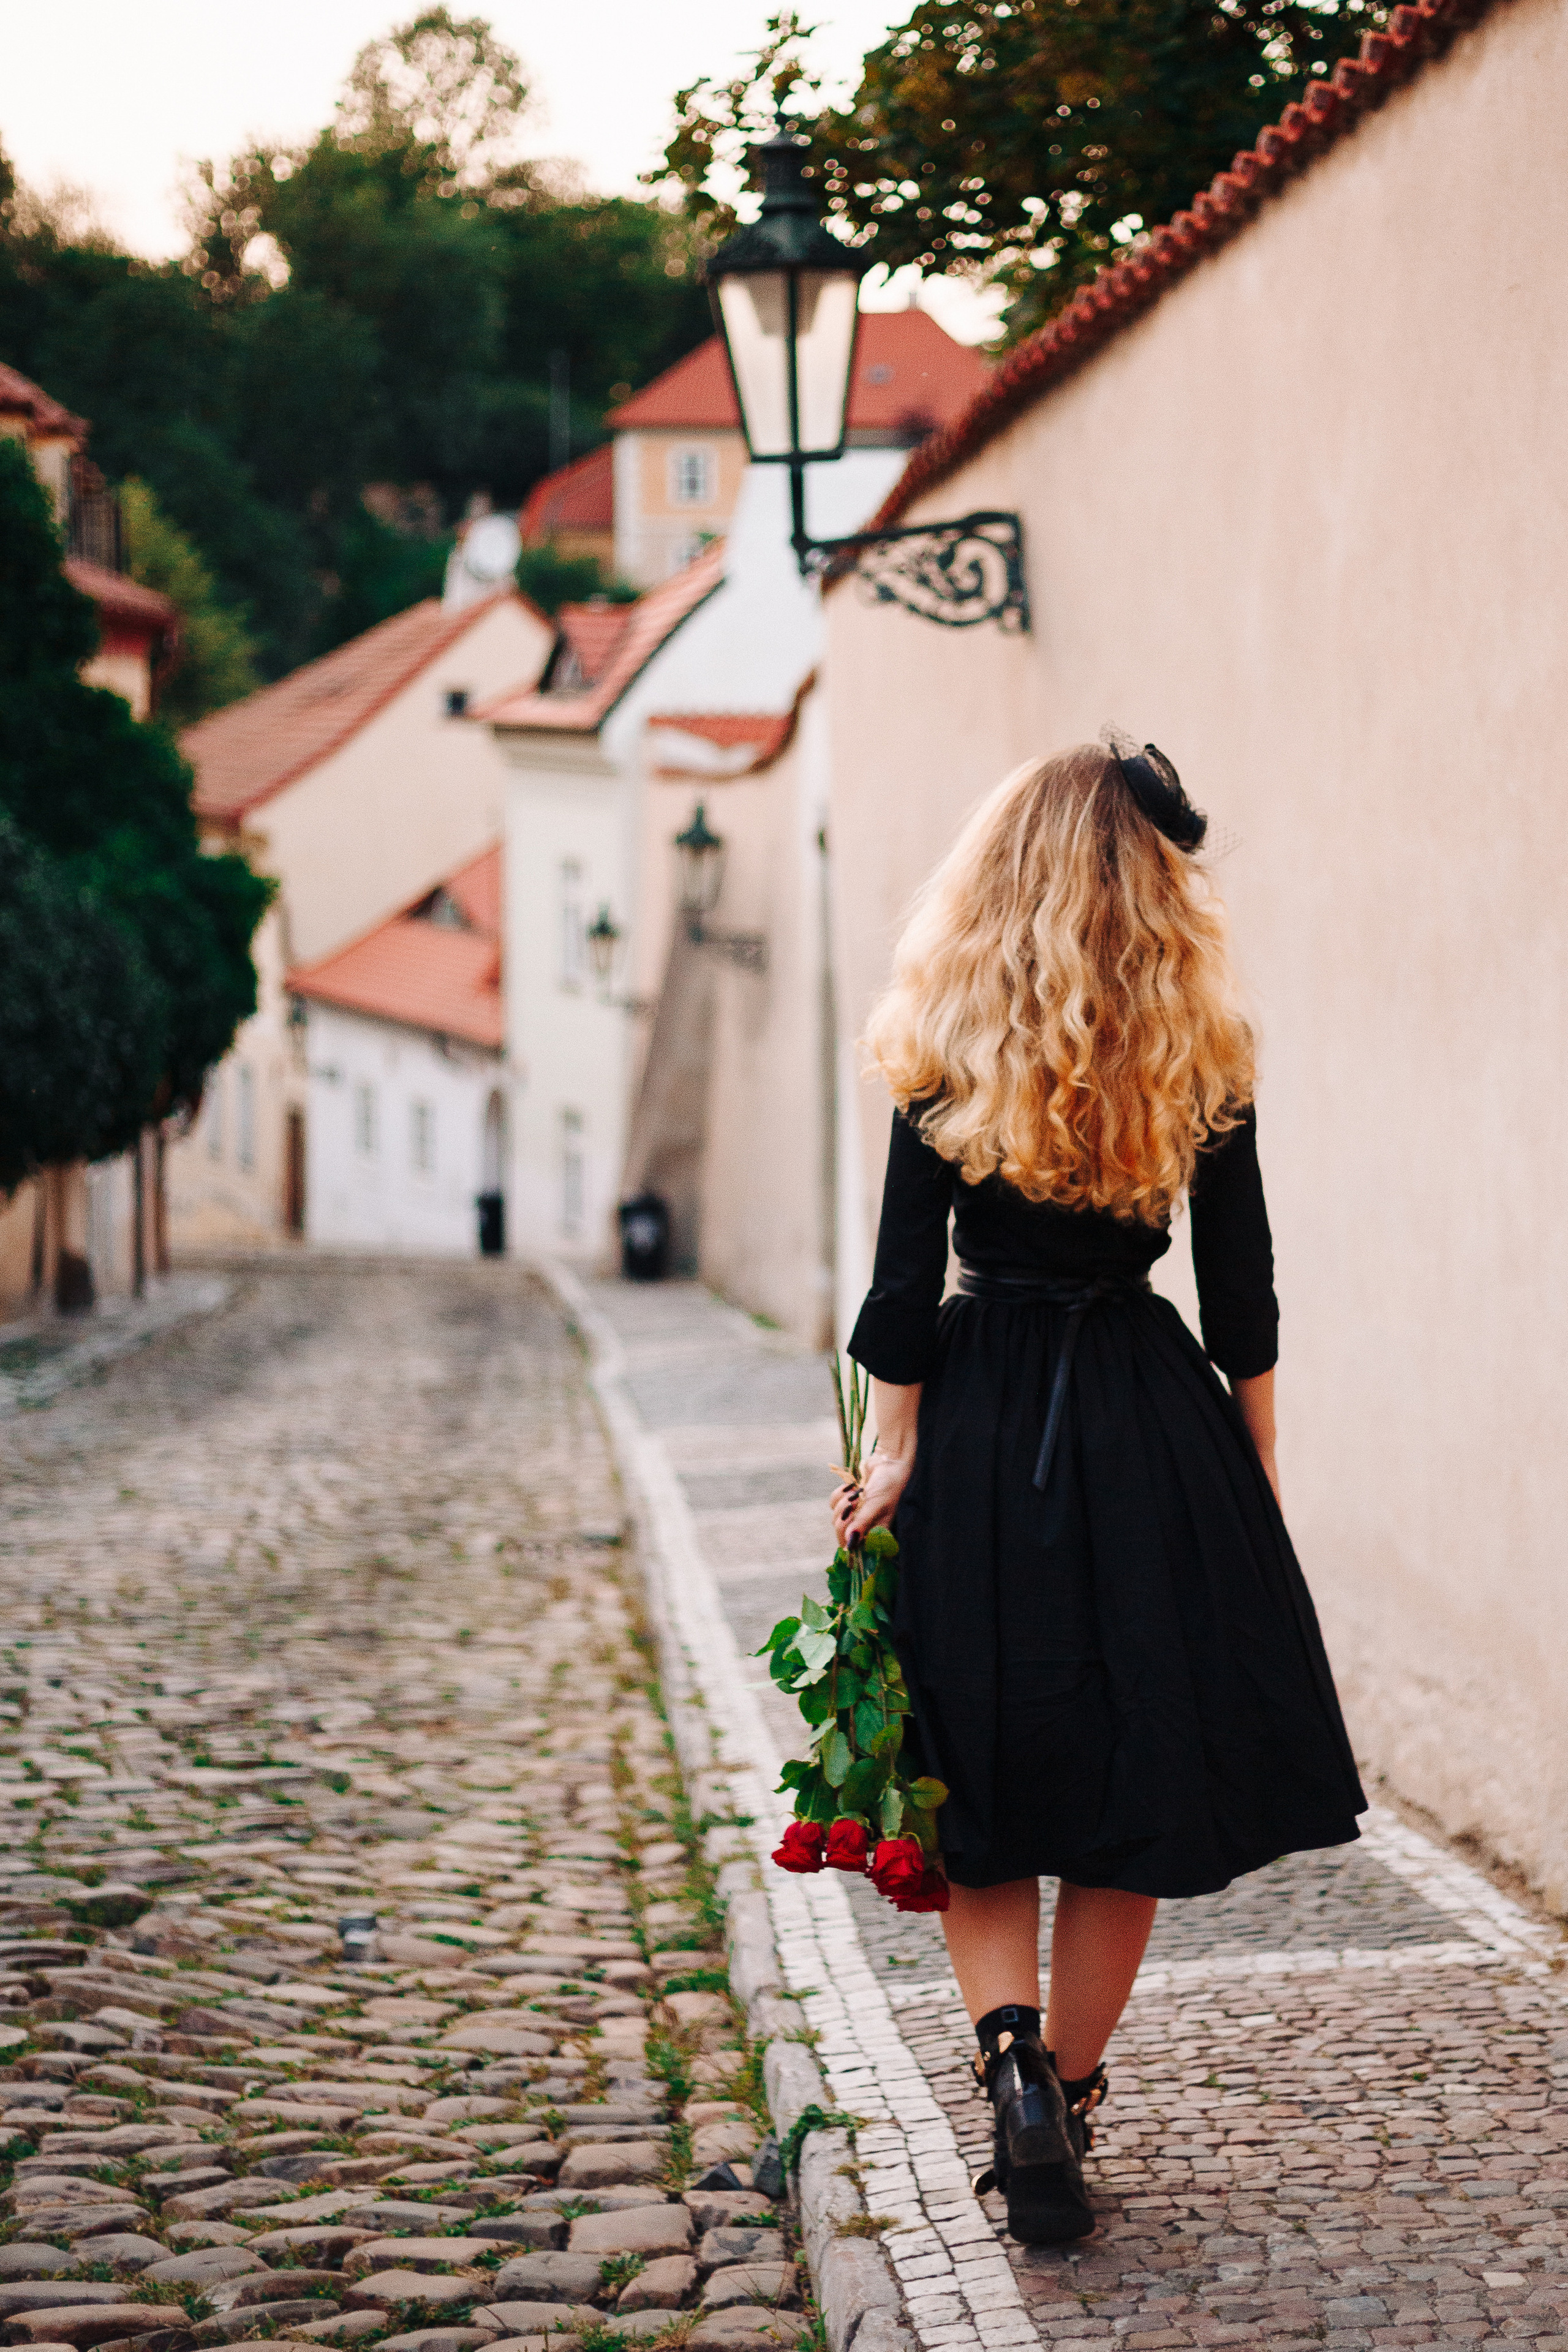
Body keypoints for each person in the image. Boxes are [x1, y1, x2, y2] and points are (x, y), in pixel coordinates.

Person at [832, 737, 1365, 2247]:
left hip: (983, 1414)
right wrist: (1246, 1472)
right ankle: (1063, 2092)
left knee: (978, 1779)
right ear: (1149, 888)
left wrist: (892, 1454)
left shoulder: (939, 1033)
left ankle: (1005, 2068)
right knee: (1129, 1784)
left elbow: (894, 1293)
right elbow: (1240, 1294)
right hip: (1146, 1417)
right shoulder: (1203, 1040)